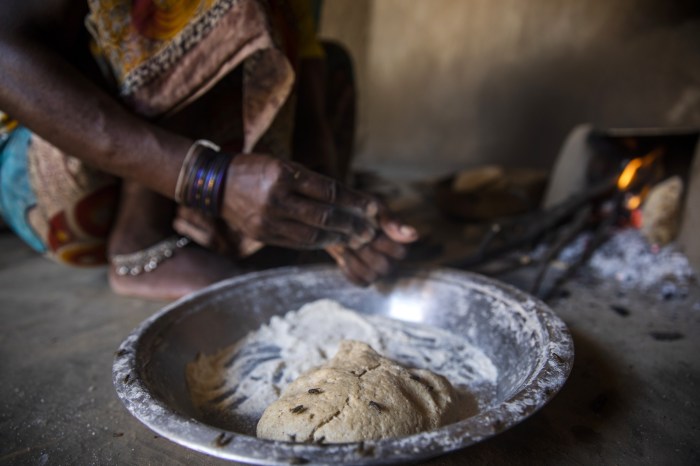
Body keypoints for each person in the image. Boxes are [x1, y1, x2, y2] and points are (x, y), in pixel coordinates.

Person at [0, 0, 418, 300]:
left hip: (171, 179)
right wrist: (211, 180)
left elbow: (306, 103)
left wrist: (335, 217)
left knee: (328, 59)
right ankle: (141, 243)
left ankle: (233, 229)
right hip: (58, 181)